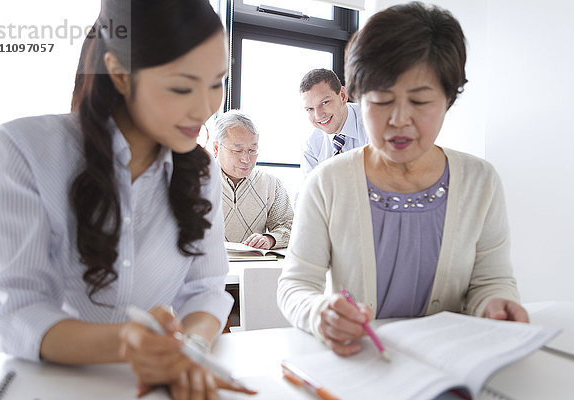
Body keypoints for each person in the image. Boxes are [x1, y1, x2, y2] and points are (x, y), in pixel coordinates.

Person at [0, 1, 253, 398]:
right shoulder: (28, 150)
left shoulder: (201, 170)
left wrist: (189, 350)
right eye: (181, 86)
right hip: (46, 385)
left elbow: (206, 289)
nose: (206, 107)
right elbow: (20, 309)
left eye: (217, 82)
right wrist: (126, 341)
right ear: (120, 74)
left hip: (148, 385)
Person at [278, 1, 529, 357]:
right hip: (360, 368)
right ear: (358, 100)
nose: (399, 119)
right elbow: (296, 286)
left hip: (451, 367)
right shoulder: (327, 182)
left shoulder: (480, 181)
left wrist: (495, 305)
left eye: (420, 101)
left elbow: (492, 281)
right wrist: (320, 313)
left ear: (448, 99)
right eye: (381, 101)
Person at [212, 110, 293, 250]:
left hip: (254, 266)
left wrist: (269, 240)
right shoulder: (195, 182)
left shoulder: (270, 184)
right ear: (216, 148)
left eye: (252, 150)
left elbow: (289, 227)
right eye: (238, 151)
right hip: (206, 265)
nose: (246, 159)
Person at [300, 68, 369, 175]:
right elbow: (306, 190)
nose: (318, 116)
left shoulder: (372, 122)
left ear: (342, 96)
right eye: (310, 109)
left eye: (324, 102)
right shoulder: (312, 144)